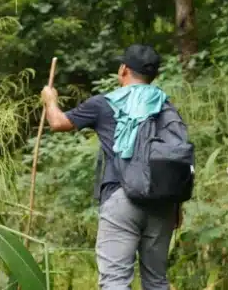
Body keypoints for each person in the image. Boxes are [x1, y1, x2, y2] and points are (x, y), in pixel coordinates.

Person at [41, 44, 183, 289]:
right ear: (154, 76)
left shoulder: (105, 103)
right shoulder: (165, 106)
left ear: (123, 70)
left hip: (122, 197)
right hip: (164, 202)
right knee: (157, 281)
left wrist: (50, 100)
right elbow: (175, 155)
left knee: (115, 282)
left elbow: (57, 122)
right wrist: (177, 205)